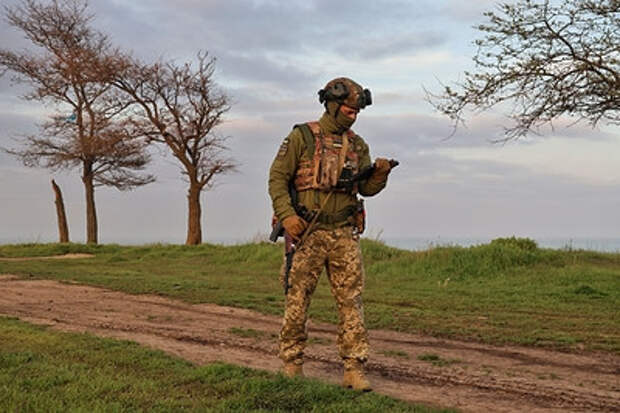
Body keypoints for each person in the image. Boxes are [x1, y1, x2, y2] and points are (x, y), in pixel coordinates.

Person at [268, 77, 394, 391]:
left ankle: (354, 369)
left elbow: (364, 188)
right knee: (297, 300)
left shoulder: (358, 145)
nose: (353, 115)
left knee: (351, 302)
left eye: (357, 111)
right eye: (349, 110)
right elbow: (277, 179)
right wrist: (288, 216)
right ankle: (292, 363)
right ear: (333, 104)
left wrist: (379, 175)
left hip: (343, 233)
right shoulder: (301, 137)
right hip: (308, 233)